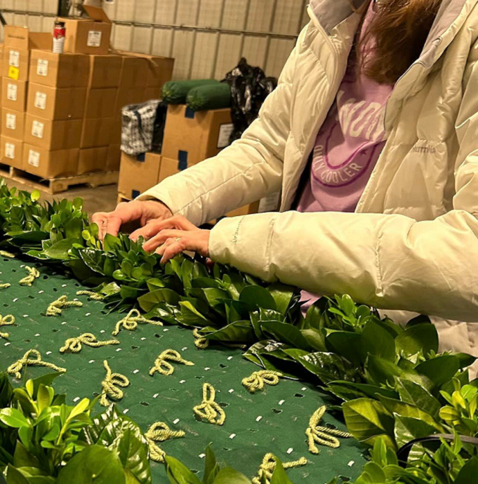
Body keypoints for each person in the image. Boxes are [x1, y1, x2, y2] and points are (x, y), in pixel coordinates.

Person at [92, 0, 478, 356]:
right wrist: (168, 202)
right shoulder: (337, 15)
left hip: (399, 343)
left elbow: (468, 255)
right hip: (287, 305)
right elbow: (273, 144)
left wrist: (238, 240)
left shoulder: (467, 29)